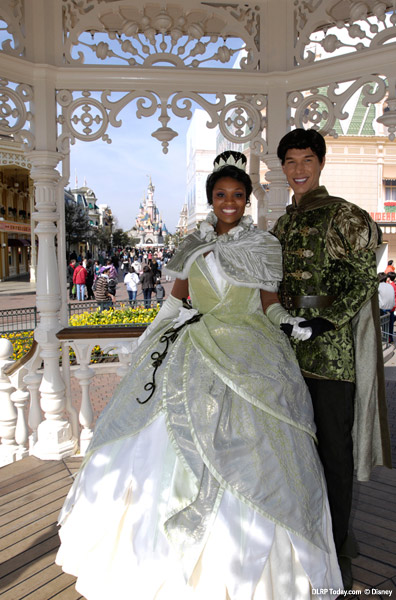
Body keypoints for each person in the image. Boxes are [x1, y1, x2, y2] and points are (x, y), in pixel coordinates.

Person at [56, 150, 342, 600]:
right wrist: (149, 336)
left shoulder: (264, 245)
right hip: (197, 343)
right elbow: (175, 303)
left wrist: (293, 324)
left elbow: (270, 306)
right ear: (211, 199)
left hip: (253, 350)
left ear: (248, 200)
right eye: (221, 194)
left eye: (238, 195)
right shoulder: (190, 245)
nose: (229, 202)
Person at [272, 128, 392, 589]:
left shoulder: (346, 215)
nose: (298, 169)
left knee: (334, 456)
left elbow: (362, 275)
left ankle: (338, 547)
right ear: (282, 167)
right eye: (290, 161)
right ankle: (307, 536)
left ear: (320, 164)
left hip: (332, 356)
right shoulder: (282, 224)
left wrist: (323, 321)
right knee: (295, 453)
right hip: (285, 354)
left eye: (307, 160)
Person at [379, 272, 395, 342]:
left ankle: (385, 339)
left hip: (383, 309)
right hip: (391, 308)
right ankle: (389, 338)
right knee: (390, 325)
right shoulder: (390, 286)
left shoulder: (378, 286)